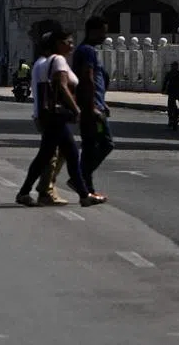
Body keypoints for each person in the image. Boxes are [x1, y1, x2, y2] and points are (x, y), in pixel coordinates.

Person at [16, 30, 92, 207]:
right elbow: (62, 87)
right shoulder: (58, 60)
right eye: (68, 42)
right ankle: (82, 195)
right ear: (57, 43)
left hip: (50, 116)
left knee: (59, 155)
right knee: (60, 155)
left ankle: (82, 195)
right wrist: (77, 110)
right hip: (56, 116)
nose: (72, 45)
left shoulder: (42, 63)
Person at [71, 15, 112, 204]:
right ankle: (80, 180)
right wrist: (93, 106)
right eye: (103, 32)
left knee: (90, 147)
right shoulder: (87, 51)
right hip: (91, 109)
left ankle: (87, 189)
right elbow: (87, 78)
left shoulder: (88, 50)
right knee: (105, 143)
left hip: (93, 106)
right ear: (93, 31)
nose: (105, 36)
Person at [28, 31, 63, 205]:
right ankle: (44, 189)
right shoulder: (45, 65)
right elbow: (47, 92)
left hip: (46, 115)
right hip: (47, 115)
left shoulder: (42, 63)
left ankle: (45, 187)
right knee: (51, 155)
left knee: (54, 153)